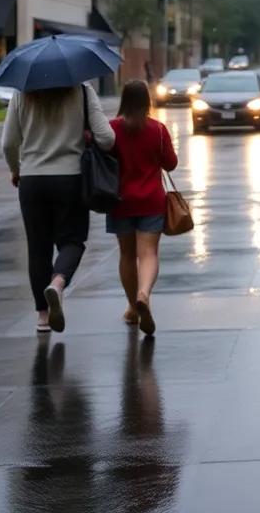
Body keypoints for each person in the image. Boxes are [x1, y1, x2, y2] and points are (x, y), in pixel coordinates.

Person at [3, 82, 116, 334]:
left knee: (38, 248)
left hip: (32, 180)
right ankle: (58, 282)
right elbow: (107, 138)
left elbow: (9, 142)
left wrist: (16, 169)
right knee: (72, 240)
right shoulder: (83, 91)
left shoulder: (22, 92)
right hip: (71, 178)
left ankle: (43, 317)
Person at [108, 80, 178, 336]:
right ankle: (143, 295)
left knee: (127, 255)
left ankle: (132, 308)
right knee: (148, 253)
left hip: (119, 201)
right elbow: (171, 164)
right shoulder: (157, 130)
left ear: (123, 100)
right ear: (147, 101)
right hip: (152, 201)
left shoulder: (111, 129)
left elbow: (96, 150)